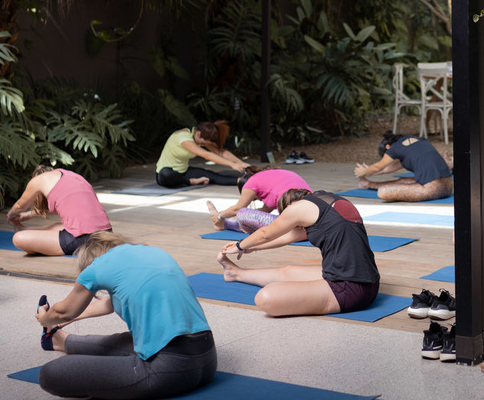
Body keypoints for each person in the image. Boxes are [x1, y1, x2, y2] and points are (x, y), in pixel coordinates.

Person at [34, 232, 216, 400]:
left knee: (51, 373)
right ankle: (60, 340)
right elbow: (110, 303)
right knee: (123, 341)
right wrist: (70, 319)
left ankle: (61, 343)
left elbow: (63, 311)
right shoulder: (152, 253)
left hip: (169, 370)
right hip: (207, 360)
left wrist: (45, 318)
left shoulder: (98, 266)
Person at [214, 188, 380, 316]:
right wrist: (251, 247)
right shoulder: (324, 201)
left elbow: (266, 233)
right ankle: (235, 273)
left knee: (265, 298)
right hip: (368, 282)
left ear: (288, 208)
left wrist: (239, 245)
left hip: (349, 291)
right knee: (288, 271)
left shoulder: (298, 209)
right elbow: (288, 237)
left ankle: (241, 276)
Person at [7, 165, 112, 256]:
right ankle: (23, 229)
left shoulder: (37, 180)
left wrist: (10, 215)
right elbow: (67, 204)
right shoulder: (71, 176)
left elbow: (19, 206)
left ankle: (31, 238)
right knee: (56, 226)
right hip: (106, 232)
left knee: (18, 239)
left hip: (83, 238)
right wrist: (29, 214)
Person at [207, 165, 311, 234]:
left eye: (254, 199)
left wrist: (219, 215)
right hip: (312, 215)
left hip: (295, 225)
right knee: (246, 216)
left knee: (243, 213)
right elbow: (264, 212)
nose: (259, 200)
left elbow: (238, 209)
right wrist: (234, 217)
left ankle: (224, 224)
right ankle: (226, 222)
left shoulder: (251, 182)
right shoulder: (273, 176)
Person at [353, 131, 453, 202]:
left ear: (388, 147)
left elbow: (378, 166)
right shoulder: (417, 141)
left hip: (432, 189)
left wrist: (362, 172)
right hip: (448, 186)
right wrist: (368, 170)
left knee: (383, 192)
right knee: (401, 180)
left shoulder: (394, 148)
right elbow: (385, 169)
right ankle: (367, 184)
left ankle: (367, 184)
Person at [156, 120, 250, 188]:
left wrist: (240, 163)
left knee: (212, 176)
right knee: (167, 174)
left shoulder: (200, 137)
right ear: (198, 134)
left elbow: (220, 152)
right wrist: (232, 164)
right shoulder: (183, 138)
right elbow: (207, 155)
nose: (204, 145)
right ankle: (192, 182)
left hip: (183, 171)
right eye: (203, 143)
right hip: (165, 173)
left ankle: (243, 181)